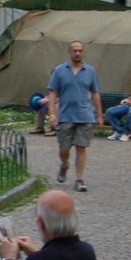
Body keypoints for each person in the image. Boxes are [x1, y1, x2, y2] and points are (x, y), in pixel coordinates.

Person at [46, 40, 104, 193]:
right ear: (69, 52)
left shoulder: (90, 71)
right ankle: (64, 164)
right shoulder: (59, 71)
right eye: (75, 51)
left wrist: (99, 115)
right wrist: (52, 114)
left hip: (85, 115)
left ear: (83, 52)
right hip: (65, 115)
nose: (77, 53)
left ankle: (79, 179)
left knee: (81, 148)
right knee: (64, 148)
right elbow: (52, 93)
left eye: (80, 51)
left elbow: (95, 93)